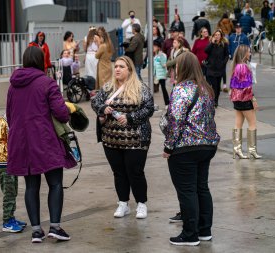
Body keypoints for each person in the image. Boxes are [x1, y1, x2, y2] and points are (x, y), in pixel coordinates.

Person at [6, 46, 76, 243]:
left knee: (31, 186)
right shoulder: (47, 83)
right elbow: (61, 113)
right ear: (41, 61)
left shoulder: (13, 85)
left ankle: (36, 231)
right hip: (45, 141)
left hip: (21, 142)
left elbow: (10, 116)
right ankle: (55, 227)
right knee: (55, 183)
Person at [163, 52, 220, 246]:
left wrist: (168, 147)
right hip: (207, 145)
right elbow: (210, 116)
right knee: (201, 187)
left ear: (183, 67)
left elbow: (175, 121)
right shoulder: (207, 89)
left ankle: (190, 234)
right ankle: (204, 231)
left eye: (177, 66)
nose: (175, 69)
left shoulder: (181, 89)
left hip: (185, 148)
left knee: (187, 191)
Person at [91, 56, 154, 220]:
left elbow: (149, 108)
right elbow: (95, 102)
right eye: (116, 66)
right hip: (111, 139)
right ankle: (123, 203)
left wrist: (130, 118)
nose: (117, 69)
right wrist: (103, 108)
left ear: (130, 70)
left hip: (136, 139)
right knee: (118, 173)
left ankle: (141, 203)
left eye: (121, 67)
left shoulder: (140, 88)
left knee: (135, 172)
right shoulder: (107, 87)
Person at [0, 114, 27, 233]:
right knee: (9, 192)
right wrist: (15, 149)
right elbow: (0, 144)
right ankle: (7, 221)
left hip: (11, 162)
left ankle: (11, 217)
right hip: (3, 163)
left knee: (13, 190)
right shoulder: (1, 122)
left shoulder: (13, 121)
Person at [230, 44, 262, 159]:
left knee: (238, 123)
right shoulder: (244, 67)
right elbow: (247, 87)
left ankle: (237, 150)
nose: (250, 54)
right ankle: (252, 150)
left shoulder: (236, 66)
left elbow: (233, 85)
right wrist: (253, 99)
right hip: (245, 99)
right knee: (252, 123)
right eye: (248, 52)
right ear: (244, 54)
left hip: (237, 99)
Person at [205, 29, 229, 107]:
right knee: (209, 85)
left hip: (219, 69)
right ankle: (210, 100)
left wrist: (223, 63)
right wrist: (212, 43)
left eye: (218, 35)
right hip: (210, 68)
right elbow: (206, 51)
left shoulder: (224, 44)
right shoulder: (211, 44)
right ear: (213, 36)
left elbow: (226, 55)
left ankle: (216, 101)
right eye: (215, 35)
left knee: (217, 87)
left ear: (221, 36)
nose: (217, 36)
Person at [153, 40, 169, 107]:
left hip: (161, 75)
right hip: (155, 75)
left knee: (163, 89)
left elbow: (163, 64)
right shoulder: (154, 55)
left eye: (154, 46)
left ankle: (167, 103)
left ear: (158, 47)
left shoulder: (162, 55)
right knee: (153, 89)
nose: (153, 47)